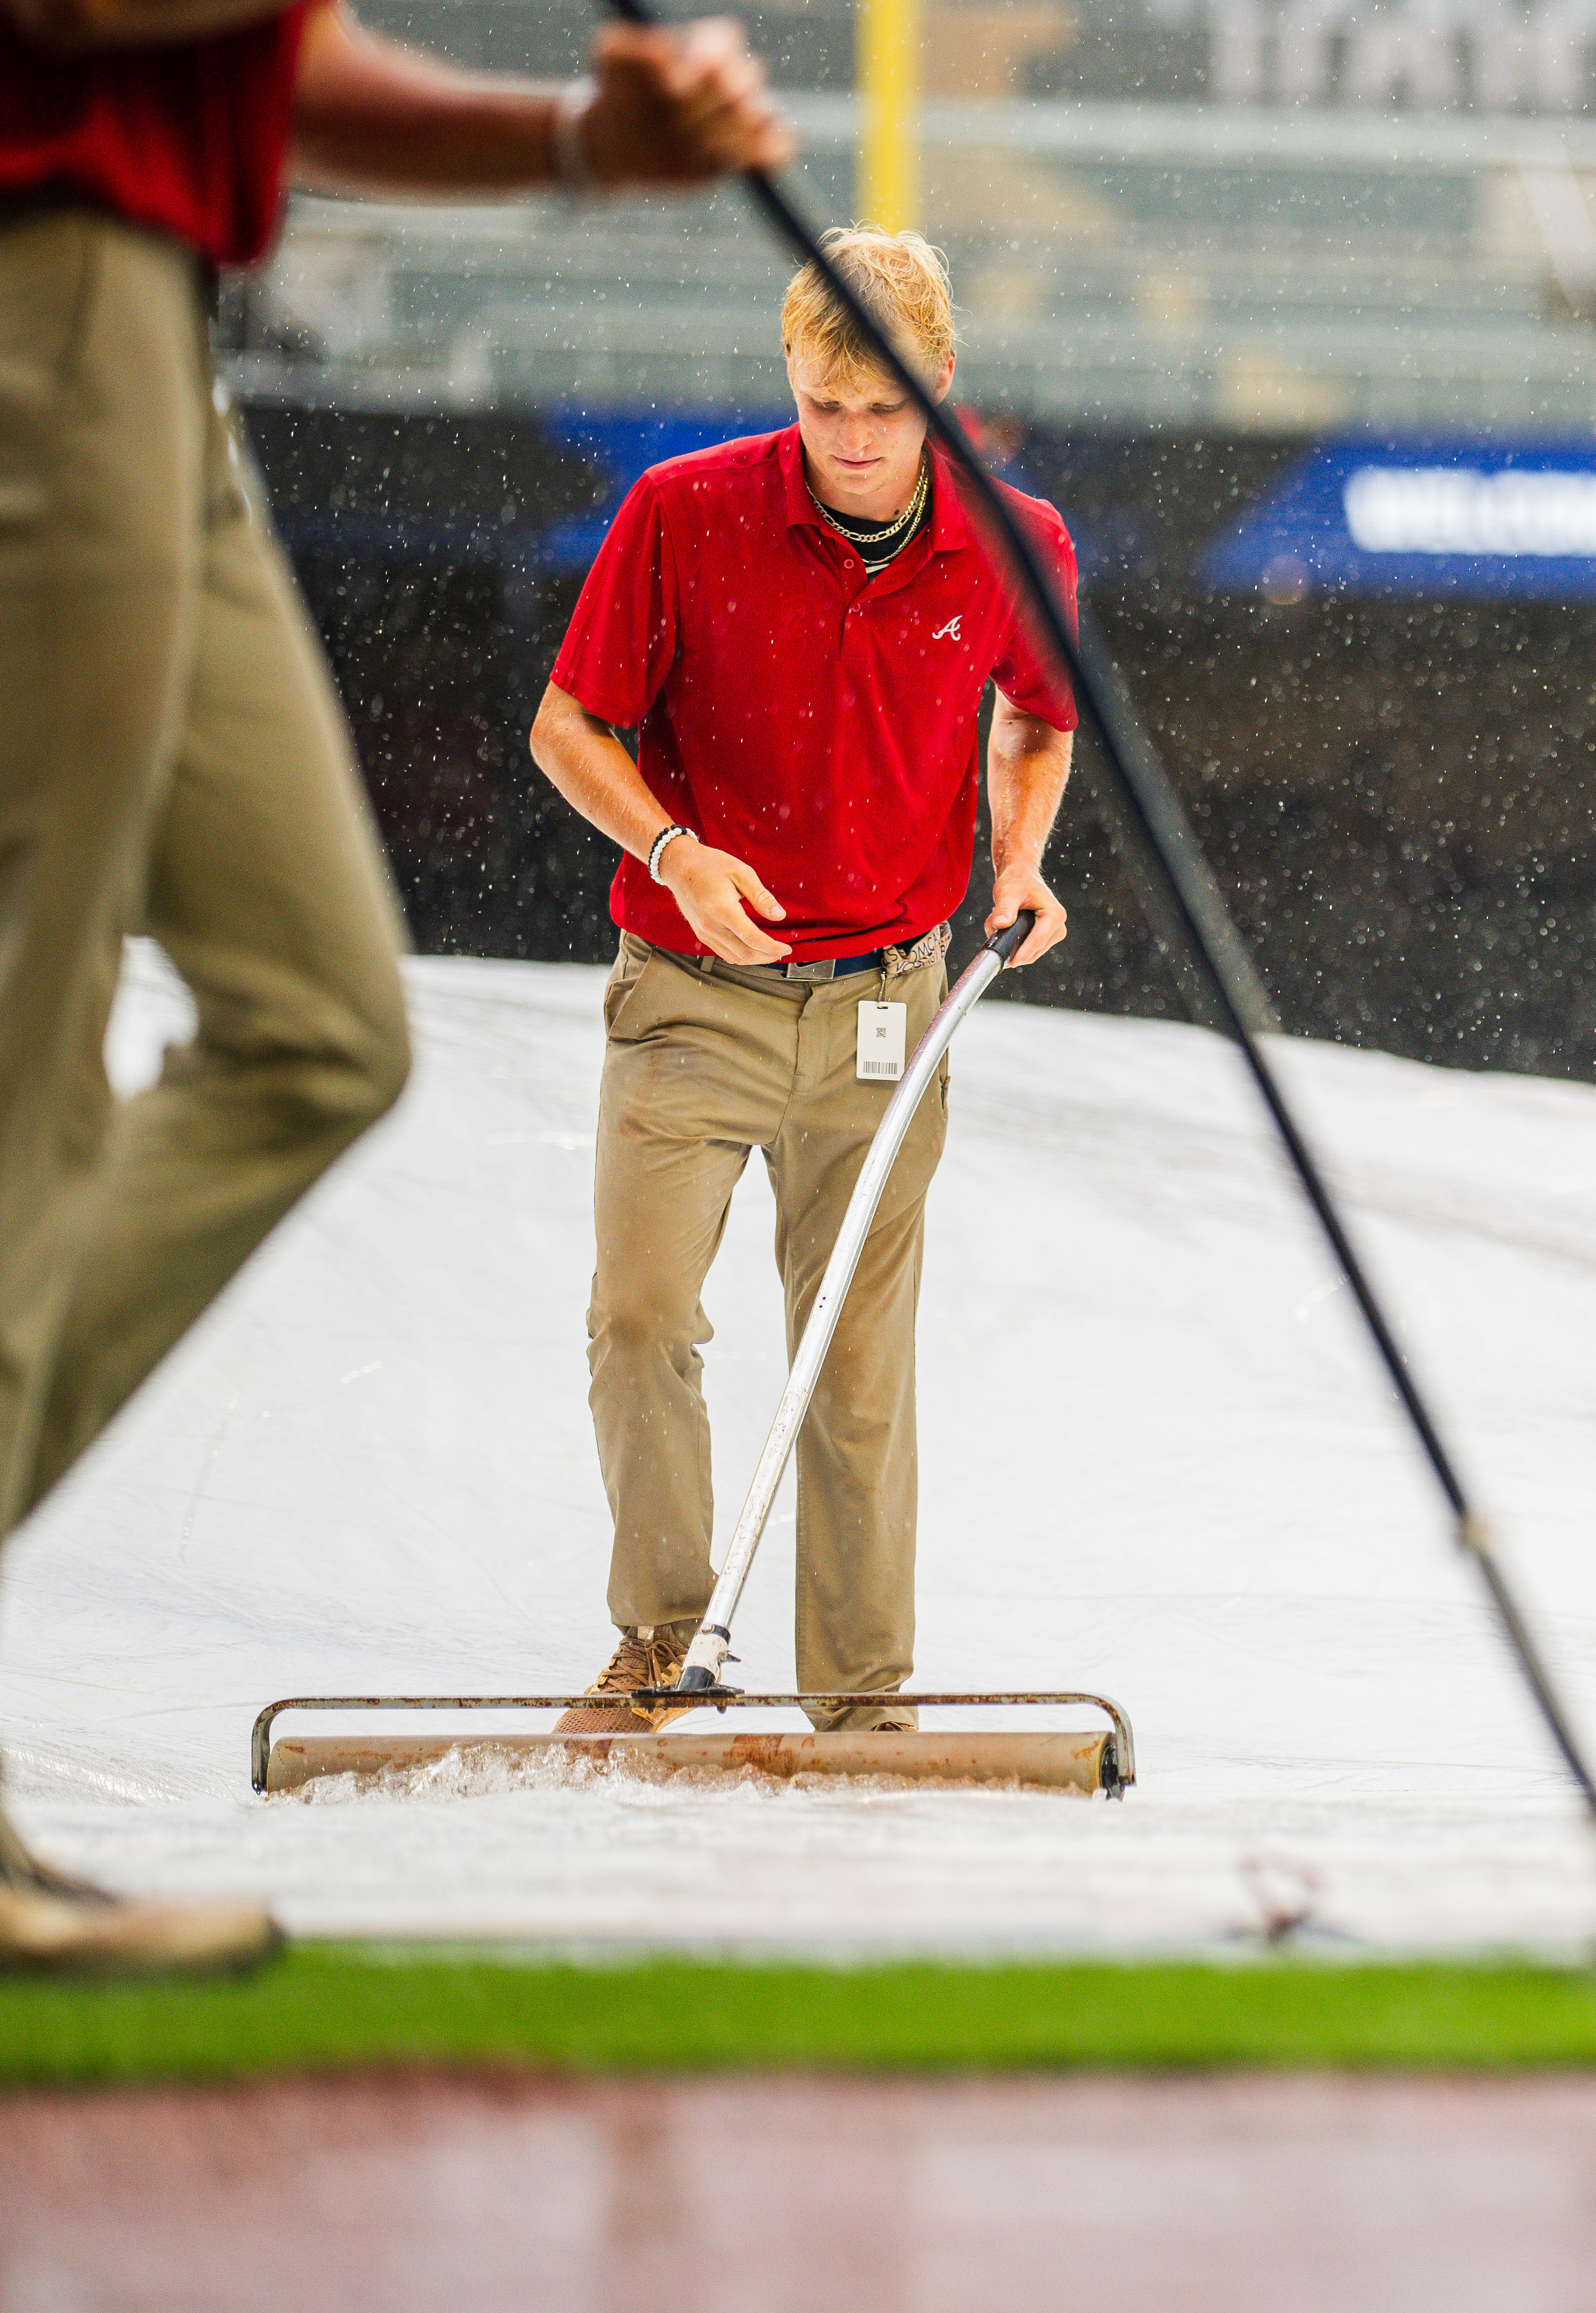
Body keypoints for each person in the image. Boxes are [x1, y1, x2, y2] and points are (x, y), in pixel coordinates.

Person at [0, 0, 785, 1969]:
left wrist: (576, 147)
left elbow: (262, 68)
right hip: (31, 278)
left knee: (320, 1023)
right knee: (28, 1070)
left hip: (142, 311)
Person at [527, 230, 1076, 1737]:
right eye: (823, 406)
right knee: (639, 1316)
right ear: (791, 384)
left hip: (886, 1008)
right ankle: (656, 1640)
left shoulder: (1016, 540)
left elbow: (1037, 722)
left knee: (853, 1363)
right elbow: (568, 728)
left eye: (883, 411)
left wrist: (1015, 857)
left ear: (941, 392)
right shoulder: (682, 511)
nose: (850, 439)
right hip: (689, 993)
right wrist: (674, 845)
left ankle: (862, 1703)